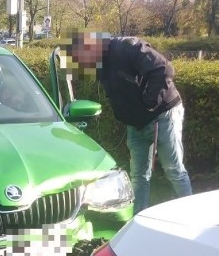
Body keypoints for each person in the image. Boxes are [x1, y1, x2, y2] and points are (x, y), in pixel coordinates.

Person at [69, 31, 192, 214]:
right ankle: (138, 220)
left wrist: (148, 103)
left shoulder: (128, 47)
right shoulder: (99, 65)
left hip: (163, 114)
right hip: (137, 124)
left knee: (174, 170)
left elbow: (164, 69)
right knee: (139, 176)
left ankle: (192, 215)